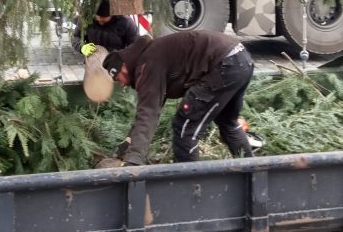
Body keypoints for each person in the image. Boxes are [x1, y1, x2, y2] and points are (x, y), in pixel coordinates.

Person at [97, 30, 255, 166]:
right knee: (227, 123)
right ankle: (253, 175)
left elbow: (148, 113)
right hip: (240, 59)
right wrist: (129, 141)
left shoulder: (147, 65)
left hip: (223, 64)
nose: (123, 84)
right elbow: (153, 104)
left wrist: (133, 160)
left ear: (123, 66)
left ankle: (190, 189)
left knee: (185, 128)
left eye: (119, 78)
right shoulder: (151, 55)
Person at [73, 0, 139, 56]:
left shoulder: (125, 22)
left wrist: (124, 56)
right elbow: (76, 36)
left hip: (116, 63)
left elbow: (135, 45)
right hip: (93, 61)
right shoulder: (86, 19)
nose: (100, 20)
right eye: (98, 18)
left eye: (103, 19)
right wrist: (82, 46)